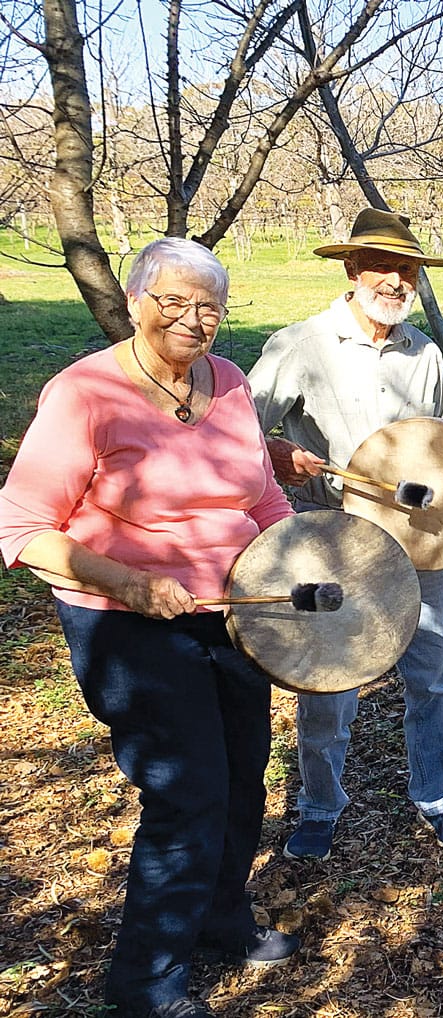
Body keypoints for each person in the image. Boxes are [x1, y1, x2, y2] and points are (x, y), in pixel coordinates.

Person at [0, 239, 299, 1017]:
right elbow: (22, 529)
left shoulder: (228, 381)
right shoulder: (85, 394)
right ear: (135, 302)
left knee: (241, 777)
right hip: (127, 625)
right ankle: (146, 984)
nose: (193, 320)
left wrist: (296, 553)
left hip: (233, 614)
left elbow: (260, 497)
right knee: (186, 792)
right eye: (173, 301)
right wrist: (130, 581)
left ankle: (220, 921)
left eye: (208, 307)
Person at [247, 208, 443, 857]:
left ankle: (439, 795)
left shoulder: (425, 354)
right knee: (330, 679)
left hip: (415, 540)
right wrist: (276, 453)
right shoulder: (304, 343)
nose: (397, 281)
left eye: (407, 269)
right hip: (334, 539)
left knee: (430, 673)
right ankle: (319, 807)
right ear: (352, 269)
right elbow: (236, 429)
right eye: (384, 267)